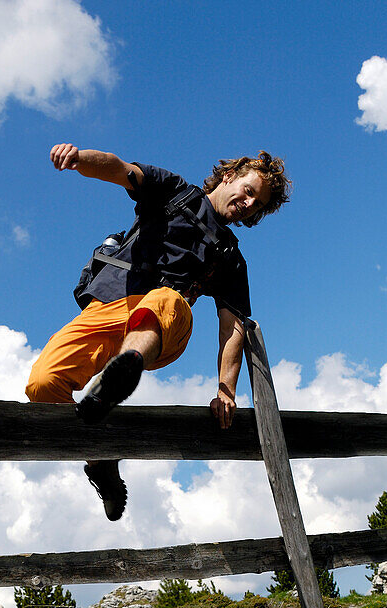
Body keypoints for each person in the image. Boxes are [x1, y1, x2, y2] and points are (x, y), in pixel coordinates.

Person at [25, 143, 291, 520]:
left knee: (164, 298)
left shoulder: (230, 257)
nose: (249, 204)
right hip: (108, 306)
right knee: (42, 382)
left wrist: (225, 390)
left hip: (166, 320)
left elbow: (232, 328)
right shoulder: (175, 191)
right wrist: (79, 158)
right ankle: (100, 457)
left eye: (258, 205)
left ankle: (125, 368)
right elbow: (120, 169)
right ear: (229, 176)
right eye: (249, 192)